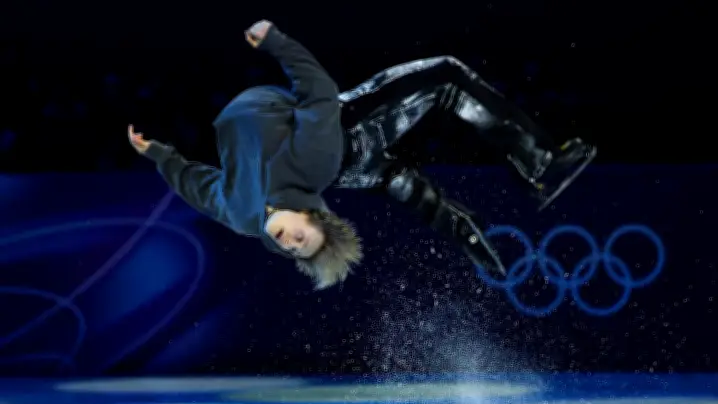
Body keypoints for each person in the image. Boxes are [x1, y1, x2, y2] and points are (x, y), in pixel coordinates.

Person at [128, 19, 596, 290]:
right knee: (446, 77)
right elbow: (317, 90)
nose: (290, 243)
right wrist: (276, 42)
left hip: (343, 162)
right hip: (349, 132)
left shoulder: (243, 216)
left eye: (294, 250)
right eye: (302, 239)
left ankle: (470, 236)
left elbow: (196, 186)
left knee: (402, 182)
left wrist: (158, 154)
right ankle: (540, 166)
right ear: (311, 215)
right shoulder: (308, 163)